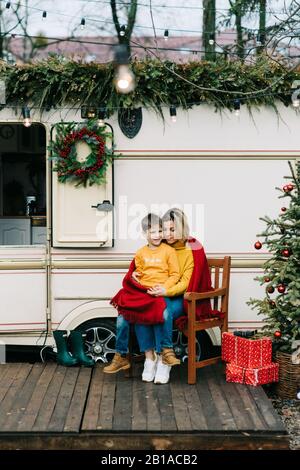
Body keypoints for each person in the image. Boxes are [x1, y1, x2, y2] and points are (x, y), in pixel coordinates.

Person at [135, 208, 214, 384]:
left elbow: (187, 282)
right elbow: (145, 265)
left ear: (182, 227)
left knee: (163, 313)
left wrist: (166, 291)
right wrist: (136, 274)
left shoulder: (192, 248)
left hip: (182, 297)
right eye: (165, 229)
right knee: (140, 311)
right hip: (158, 294)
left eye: (173, 229)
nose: (168, 234)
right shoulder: (159, 246)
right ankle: (150, 358)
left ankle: (164, 358)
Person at [103, 213, 181, 375]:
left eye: (160, 231)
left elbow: (175, 274)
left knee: (165, 314)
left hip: (158, 293)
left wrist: (163, 288)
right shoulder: (140, 253)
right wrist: (134, 277)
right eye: (153, 232)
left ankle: (166, 351)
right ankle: (120, 355)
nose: (158, 235)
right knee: (123, 317)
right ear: (145, 233)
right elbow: (136, 273)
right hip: (143, 293)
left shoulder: (168, 251)